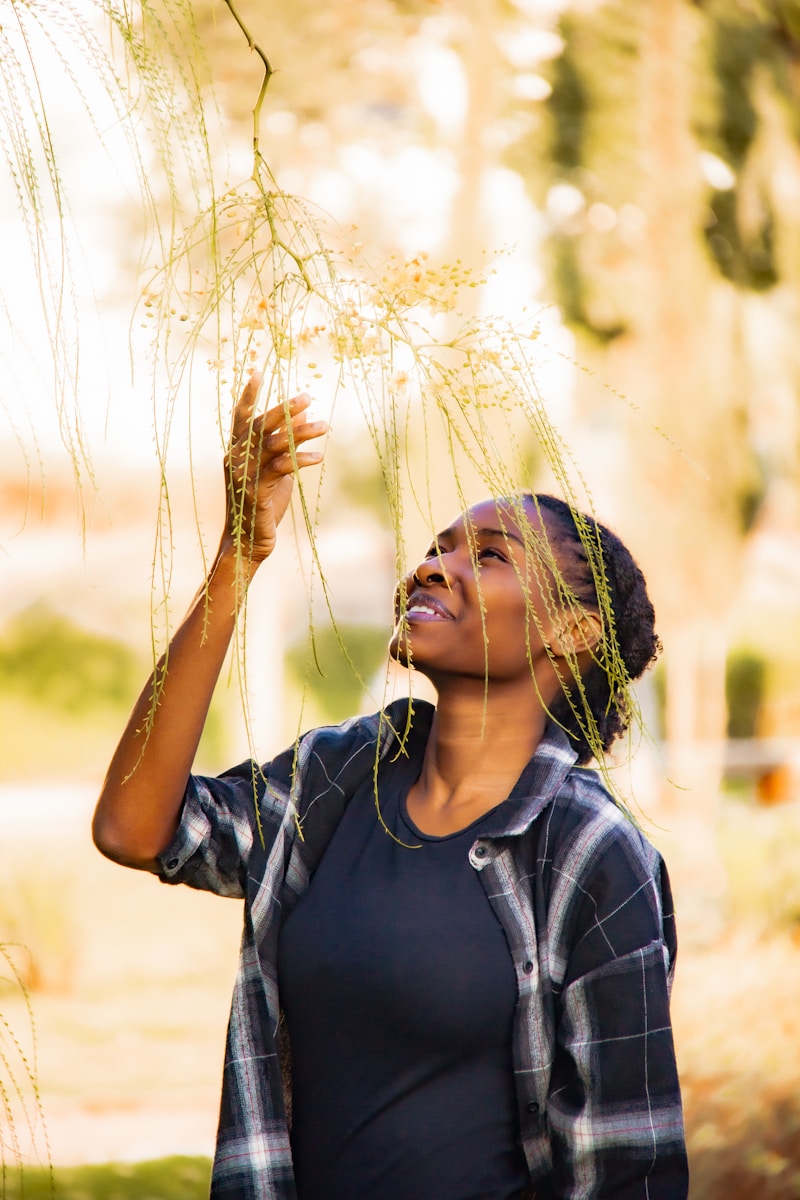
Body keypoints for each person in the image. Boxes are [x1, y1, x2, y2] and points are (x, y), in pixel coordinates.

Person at [93, 371, 689, 1200]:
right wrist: (240, 552)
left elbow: (629, 1167)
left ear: (573, 630)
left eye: (487, 557)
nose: (435, 567)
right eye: (439, 546)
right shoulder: (334, 781)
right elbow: (135, 827)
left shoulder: (590, 852)